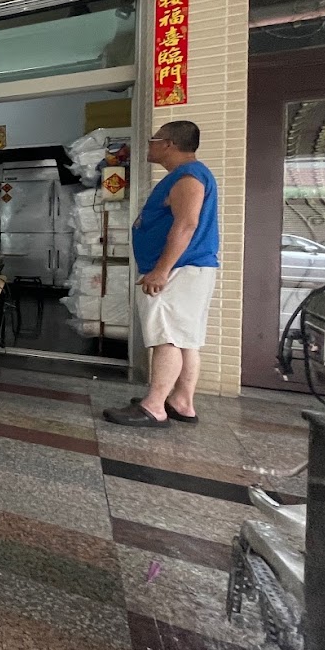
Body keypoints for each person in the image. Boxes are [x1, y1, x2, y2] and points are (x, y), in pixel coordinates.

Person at [103, 120, 219, 428]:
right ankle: (182, 402)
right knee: (185, 340)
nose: (149, 145)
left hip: (178, 270)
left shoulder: (188, 176)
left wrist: (161, 270)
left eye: (153, 140)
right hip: (188, 268)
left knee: (166, 338)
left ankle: (154, 407)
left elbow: (186, 224)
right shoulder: (187, 174)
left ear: (169, 144)